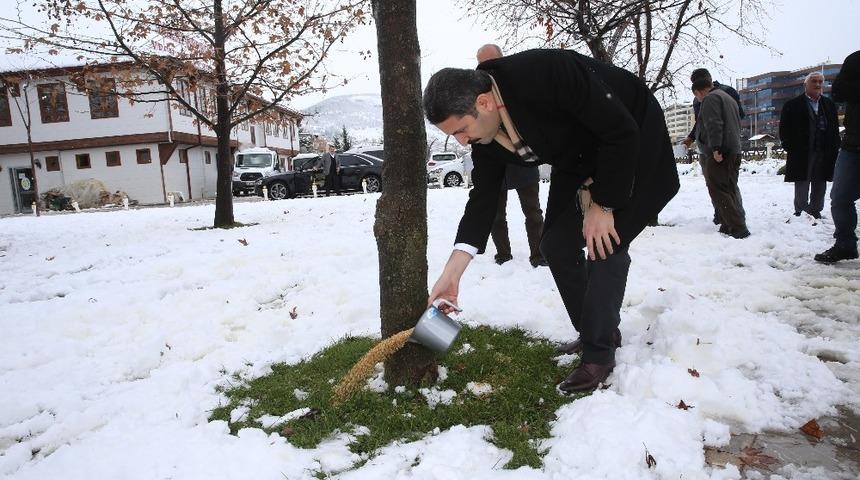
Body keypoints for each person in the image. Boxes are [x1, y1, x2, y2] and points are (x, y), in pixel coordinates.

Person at [422, 49, 679, 392]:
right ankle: (594, 333)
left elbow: (619, 130)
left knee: (605, 241)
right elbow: (482, 201)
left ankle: (598, 355)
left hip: (630, 136)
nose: (462, 141)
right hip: (577, 155)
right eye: (453, 135)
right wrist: (451, 274)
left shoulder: (548, 73)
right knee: (555, 244)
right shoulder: (484, 137)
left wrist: (603, 205)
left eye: (461, 130)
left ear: (483, 103)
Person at [476, 44, 547, 268]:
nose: (487, 67)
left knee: (533, 212)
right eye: (482, 63)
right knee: (496, 216)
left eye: (491, 61)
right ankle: (503, 255)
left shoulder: (520, 83)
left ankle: (539, 255)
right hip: (496, 164)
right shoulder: (475, 91)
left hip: (524, 159)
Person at [683, 68, 745, 225]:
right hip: (716, 147)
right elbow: (701, 122)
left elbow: (714, 123)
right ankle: (724, 218)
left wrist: (717, 148)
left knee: (722, 187)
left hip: (719, 149)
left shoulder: (718, 95)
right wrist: (692, 137)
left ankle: (735, 223)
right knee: (720, 185)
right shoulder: (709, 98)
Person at [815, 50, 860, 263]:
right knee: (840, 197)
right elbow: (838, 92)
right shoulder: (856, 60)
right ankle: (845, 244)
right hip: (853, 144)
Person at [779, 72, 841, 219]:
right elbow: (784, 129)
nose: (818, 84)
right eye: (814, 81)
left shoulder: (829, 105)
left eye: (820, 81)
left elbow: (834, 128)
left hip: (824, 150)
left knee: (820, 181)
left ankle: (816, 209)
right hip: (802, 151)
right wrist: (789, 146)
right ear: (805, 84)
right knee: (802, 181)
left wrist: (834, 146)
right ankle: (800, 210)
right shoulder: (792, 105)